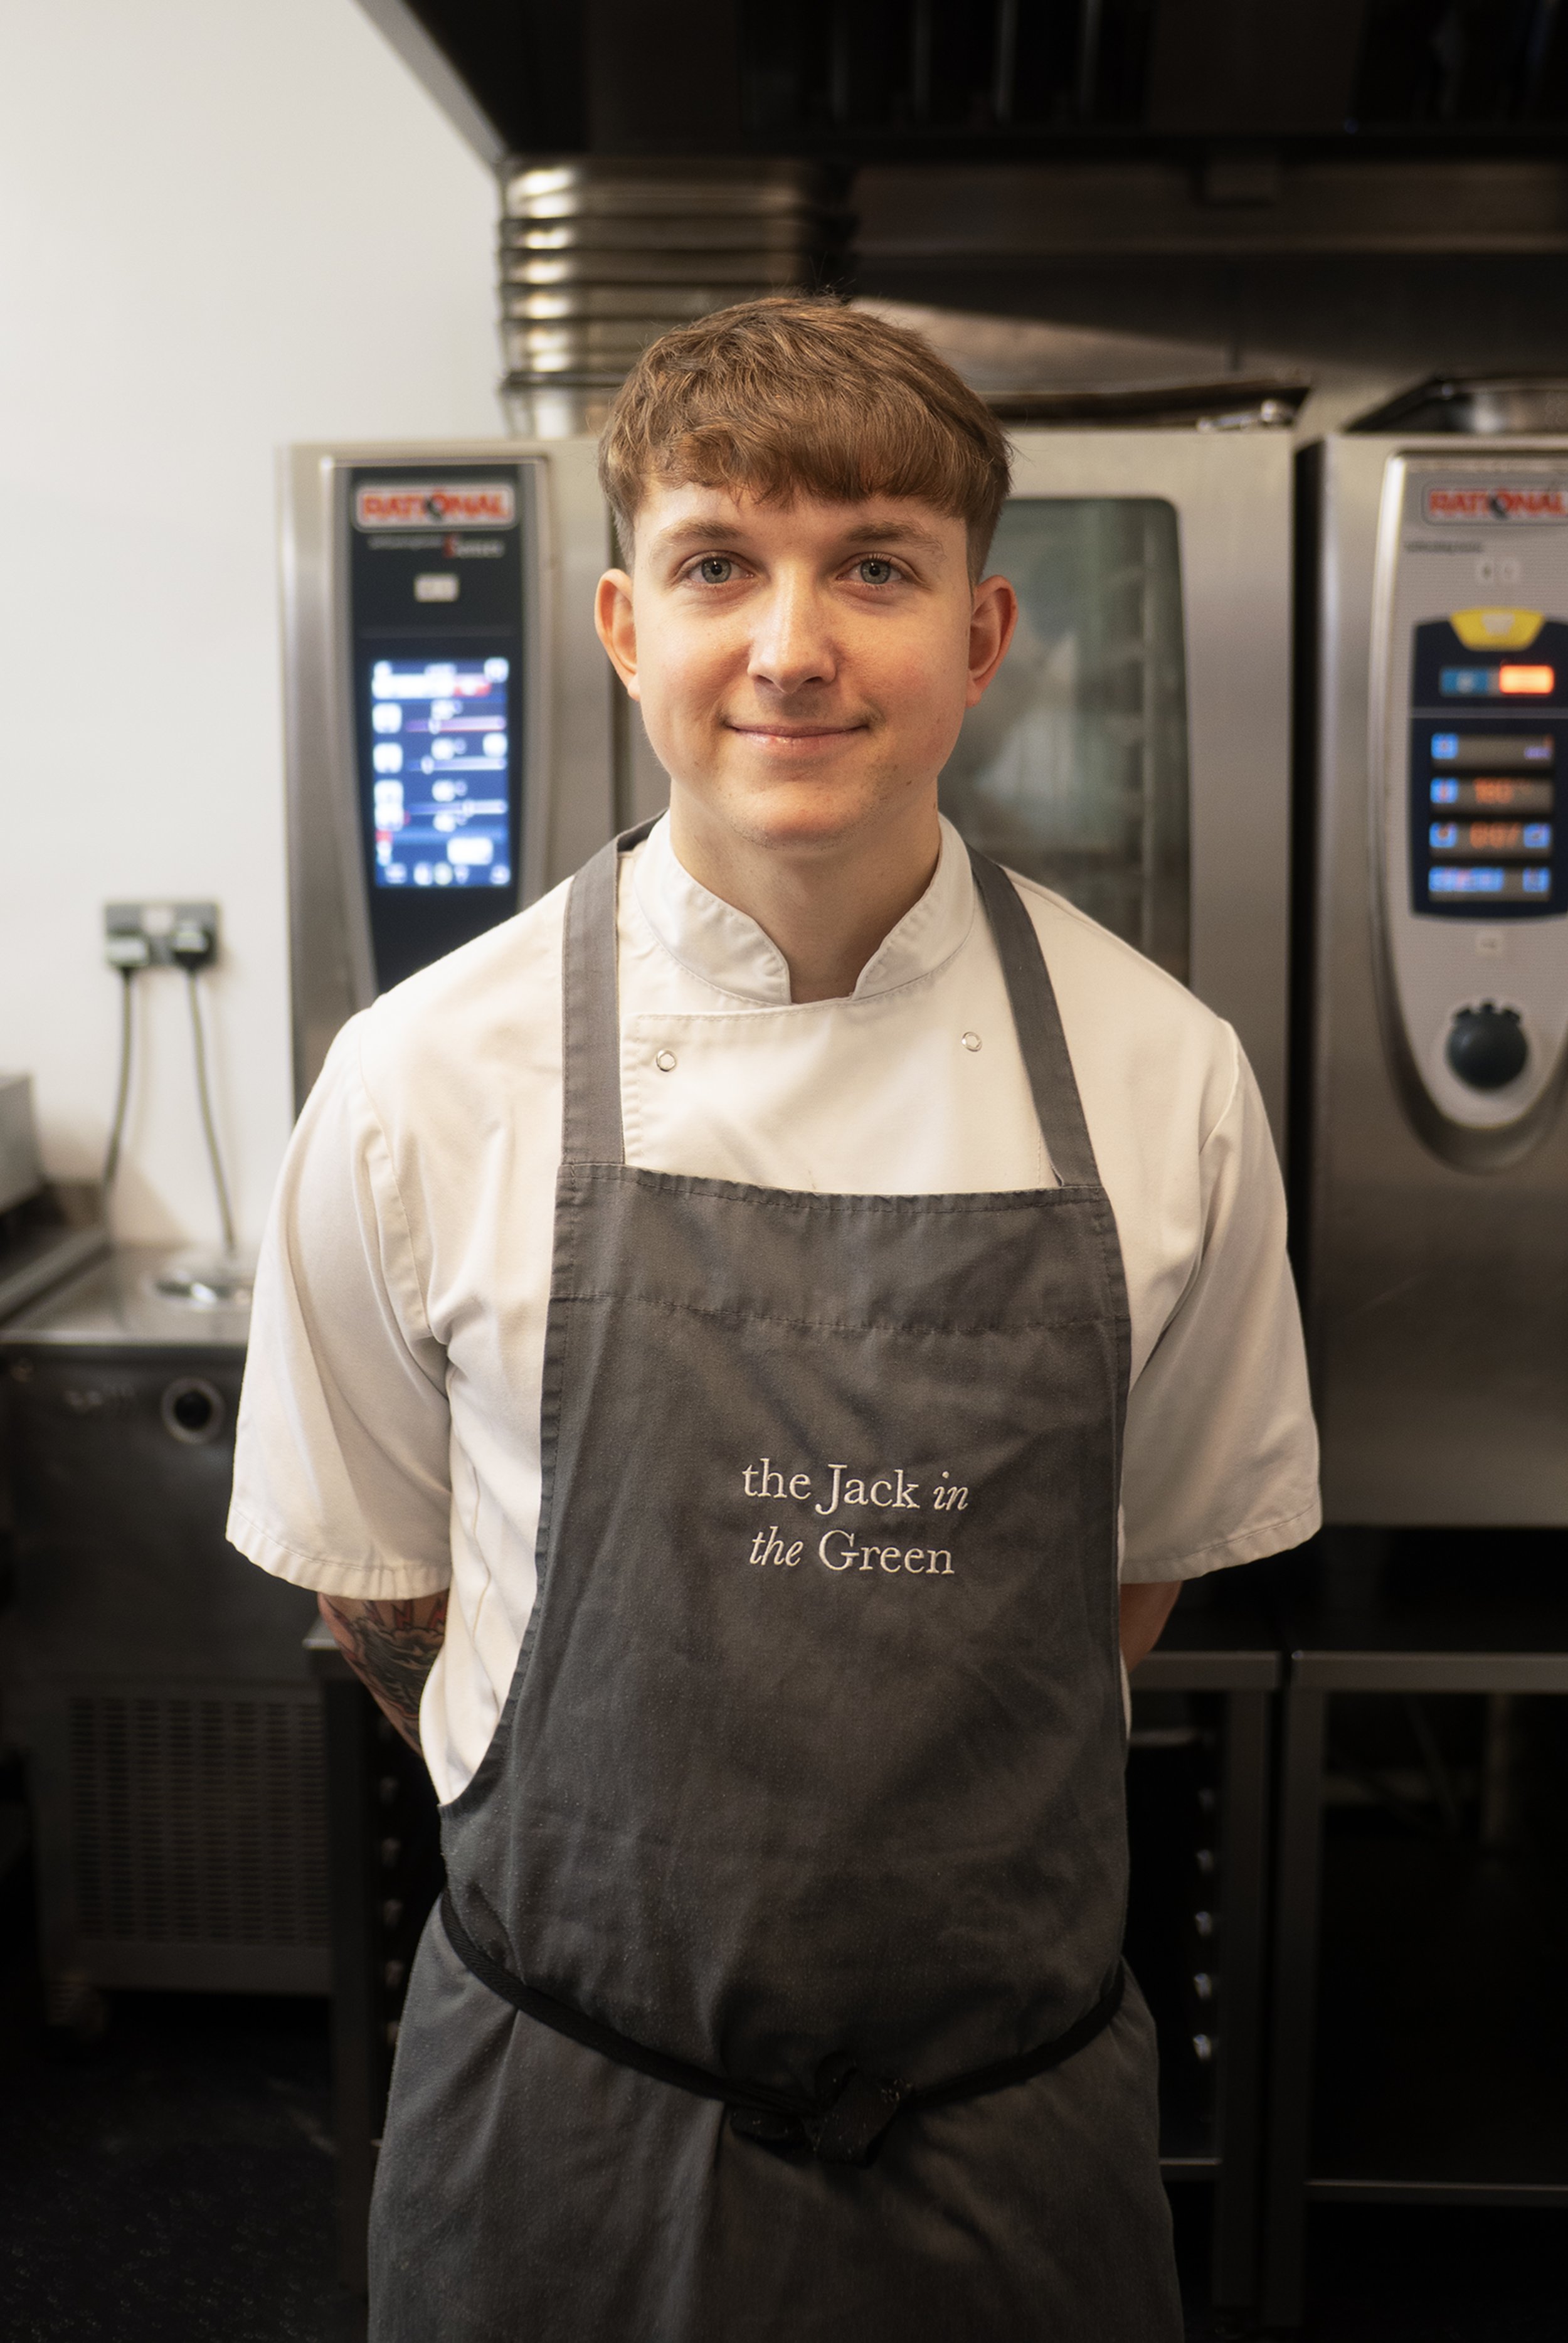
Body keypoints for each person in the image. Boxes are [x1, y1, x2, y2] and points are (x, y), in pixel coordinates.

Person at [229, 297, 1319, 2341]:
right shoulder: (417, 1081)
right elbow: (388, 1599)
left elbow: (1134, 1575)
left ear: (979, 638)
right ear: (625, 625)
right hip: (562, 2120)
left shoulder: (1164, 1079)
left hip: (1005, 2143)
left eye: (875, 569)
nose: (794, 646)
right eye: (720, 563)